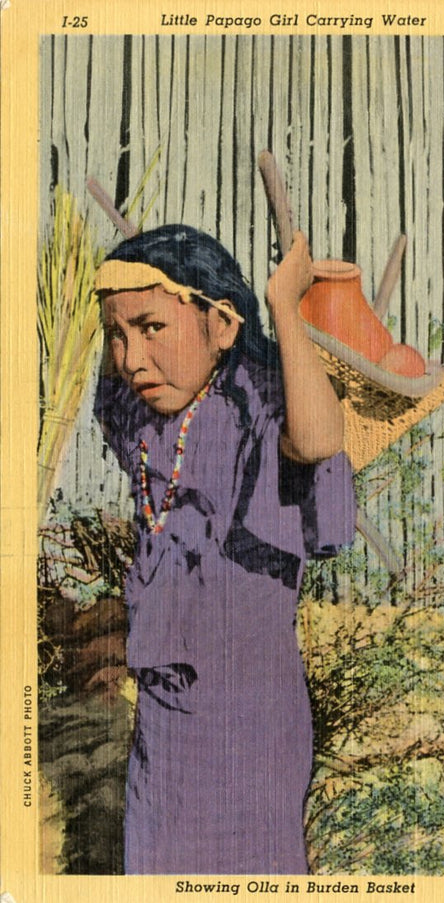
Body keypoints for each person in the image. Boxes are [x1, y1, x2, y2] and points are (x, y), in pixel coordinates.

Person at [93, 224, 356, 875]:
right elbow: (108, 392)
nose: (131, 357)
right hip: (163, 721)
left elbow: (320, 441)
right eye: (117, 336)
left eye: (153, 328)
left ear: (224, 325)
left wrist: (283, 309)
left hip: (249, 720)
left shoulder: (264, 411)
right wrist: (123, 296)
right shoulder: (148, 418)